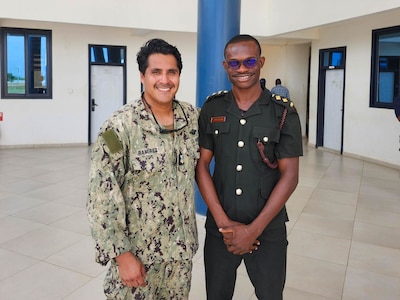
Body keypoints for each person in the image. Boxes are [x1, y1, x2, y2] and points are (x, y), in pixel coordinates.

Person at [87, 38, 200, 300]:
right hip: (138, 258)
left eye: (171, 72)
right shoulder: (119, 127)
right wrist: (122, 255)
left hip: (180, 258)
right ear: (142, 76)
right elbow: (101, 196)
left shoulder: (192, 119)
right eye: (156, 72)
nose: (165, 80)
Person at [196, 34, 303, 300]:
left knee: (270, 295)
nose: (242, 69)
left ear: (261, 62)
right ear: (225, 66)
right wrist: (224, 224)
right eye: (234, 63)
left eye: (249, 61)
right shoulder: (212, 108)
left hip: (268, 230)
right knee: (217, 295)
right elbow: (201, 166)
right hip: (221, 230)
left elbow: (290, 176)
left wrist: (252, 231)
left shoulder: (283, 113)